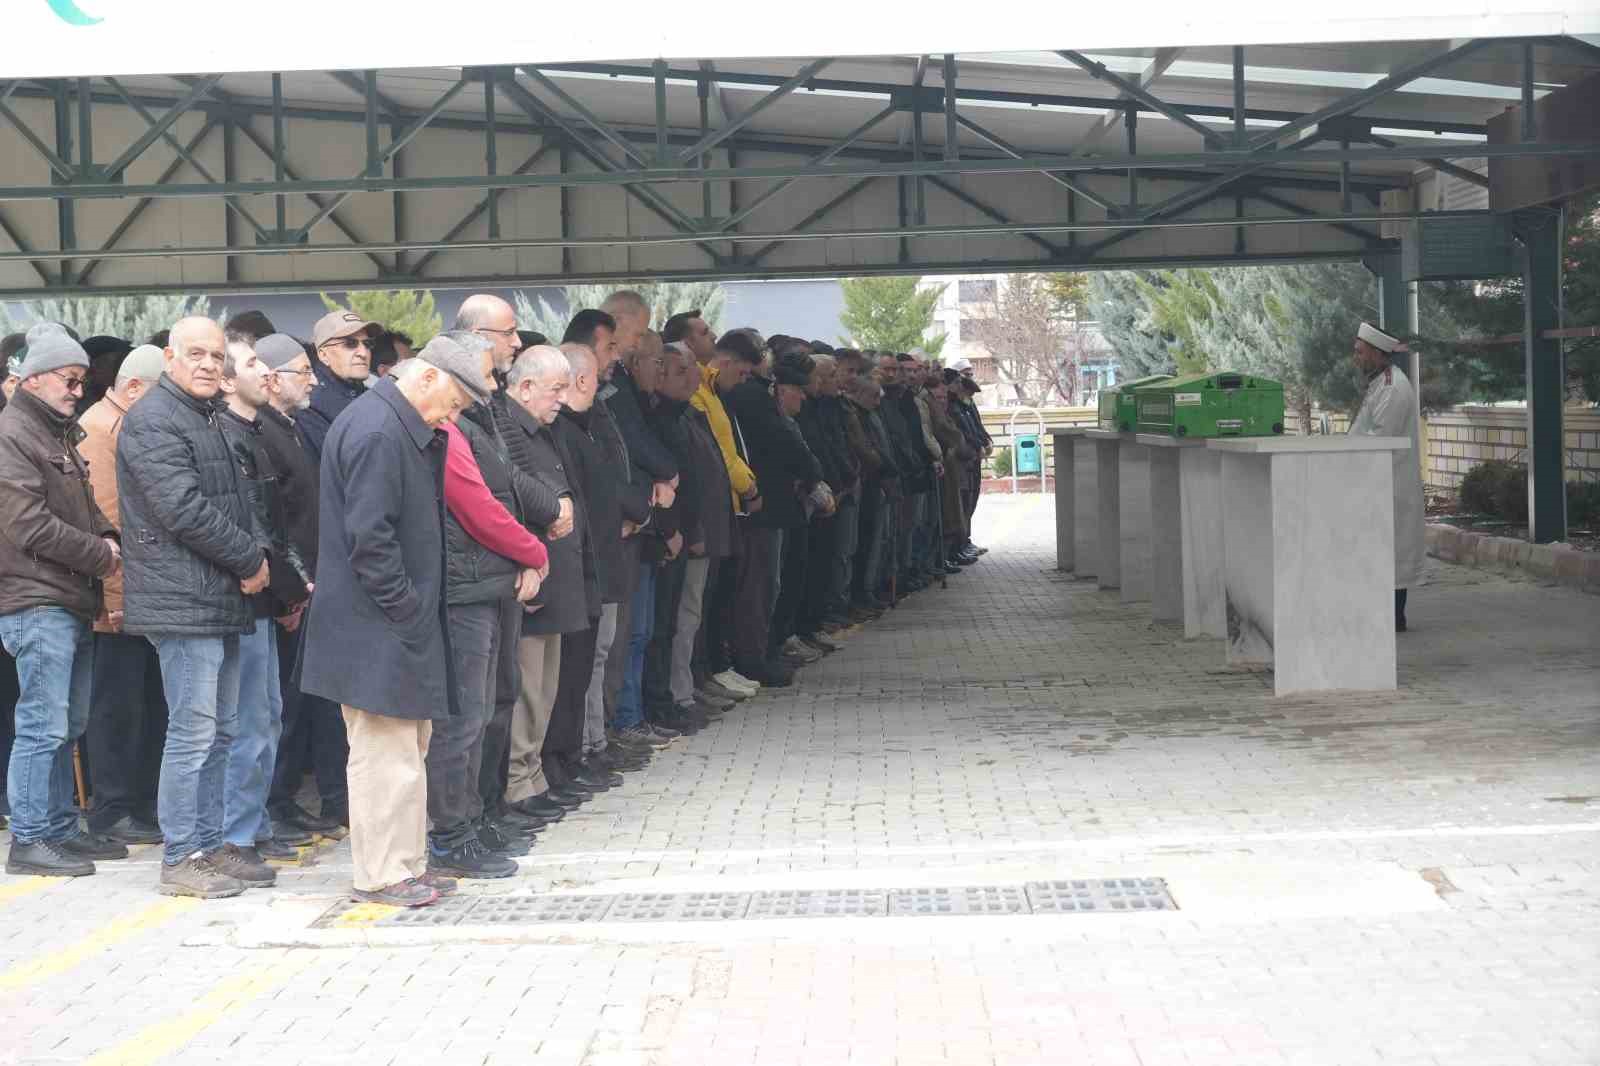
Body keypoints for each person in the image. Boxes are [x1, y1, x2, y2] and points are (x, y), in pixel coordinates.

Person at [297, 340, 485, 908]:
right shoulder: (379, 431)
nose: (450, 418)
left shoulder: (393, 424)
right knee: (384, 755)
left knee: (408, 750)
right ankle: (382, 872)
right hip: (376, 626)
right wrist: (407, 609)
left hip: (393, 623)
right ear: (427, 378)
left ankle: (406, 865)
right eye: (451, 403)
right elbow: (369, 540)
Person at [118, 316, 271, 899]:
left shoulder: (203, 415)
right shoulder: (154, 419)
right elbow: (181, 509)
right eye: (197, 354)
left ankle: (208, 847)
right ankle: (182, 854)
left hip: (215, 595)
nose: (210, 364)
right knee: (193, 733)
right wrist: (249, 561)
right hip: (183, 600)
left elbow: (238, 501)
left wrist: (254, 556)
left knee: (222, 732)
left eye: (216, 356)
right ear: (169, 358)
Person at [0, 323, 123, 876]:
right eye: (70, 380)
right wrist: (102, 555)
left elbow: (85, 510)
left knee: (66, 725)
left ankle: (55, 829)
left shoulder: (57, 434)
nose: (79, 389)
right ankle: (28, 839)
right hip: (36, 601)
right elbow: (27, 525)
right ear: (33, 380)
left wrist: (110, 538)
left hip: (67, 598)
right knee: (42, 725)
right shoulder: (12, 436)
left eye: (82, 381)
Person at [429, 332, 550, 881]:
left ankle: (475, 816)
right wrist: (532, 551)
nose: (491, 384)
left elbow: (507, 492)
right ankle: (452, 834)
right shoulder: (452, 429)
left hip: (487, 581)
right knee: (463, 720)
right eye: (480, 376)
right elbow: (478, 506)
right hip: (466, 587)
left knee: (486, 710)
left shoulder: (477, 422)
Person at [214, 334, 313, 887]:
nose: (266, 373)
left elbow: (275, 524)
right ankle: (235, 835)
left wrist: (292, 589)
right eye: (254, 364)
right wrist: (284, 587)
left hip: (265, 597)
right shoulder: (228, 437)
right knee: (246, 722)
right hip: (243, 599)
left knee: (266, 715)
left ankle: (249, 827)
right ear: (229, 381)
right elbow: (252, 530)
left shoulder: (253, 433)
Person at [499, 346, 604, 817]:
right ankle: (520, 783)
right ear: (524, 387)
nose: (563, 398)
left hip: (556, 577)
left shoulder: (544, 429)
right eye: (555, 389)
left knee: (545, 688)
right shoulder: (510, 431)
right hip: (532, 579)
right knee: (526, 690)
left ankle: (535, 775)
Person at [252, 335, 347, 843]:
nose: (312, 380)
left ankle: (285, 799)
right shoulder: (263, 432)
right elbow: (274, 524)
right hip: (289, 591)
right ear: (270, 378)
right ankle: (274, 803)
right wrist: (290, 593)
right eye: (301, 372)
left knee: (300, 703)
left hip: (308, 583)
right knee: (280, 709)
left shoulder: (286, 429)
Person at [78, 343, 168, 847]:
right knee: (117, 709)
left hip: (140, 597)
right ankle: (114, 808)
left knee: (142, 707)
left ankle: (136, 803)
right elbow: (110, 529)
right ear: (133, 388)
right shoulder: (101, 431)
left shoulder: (122, 425)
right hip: (118, 604)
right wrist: (116, 600)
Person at [724, 347, 823, 687]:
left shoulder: (753, 395)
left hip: (772, 508)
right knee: (759, 588)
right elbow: (787, 446)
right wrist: (812, 472)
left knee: (769, 586)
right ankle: (753, 657)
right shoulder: (755, 398)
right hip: (762, 510)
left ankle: (763, 651)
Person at [1349, 322, 1426, 632]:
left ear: (1376, 354)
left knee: (1392, 551)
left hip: (1390, 482)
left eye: (1359, 351)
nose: (1355, 357)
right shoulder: (1379, 383)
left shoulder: (1393, 388)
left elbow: (1380, 438)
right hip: (1374, 483)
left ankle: (1394, 618)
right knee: (1380, 549)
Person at [296, 309, 379, 458]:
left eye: (368, 344)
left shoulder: (371, 395)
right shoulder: (309, 403)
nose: (363, 352)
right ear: (323, 355)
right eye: (350, 343)